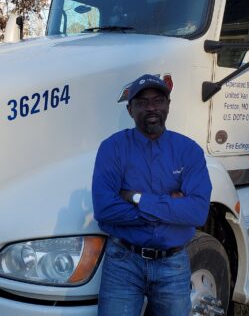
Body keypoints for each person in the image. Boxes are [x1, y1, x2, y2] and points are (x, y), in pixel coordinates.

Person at [92, 74, 213, 316]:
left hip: (173, 263)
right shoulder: (112, 148)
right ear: (130, 110)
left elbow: (198, 212)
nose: (151, 108)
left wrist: (136, 198)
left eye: (158, 100)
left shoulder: (189, 151)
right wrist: (170, 207)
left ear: (168, 105)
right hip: (123, 262)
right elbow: (104, 209)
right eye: (142, 102)